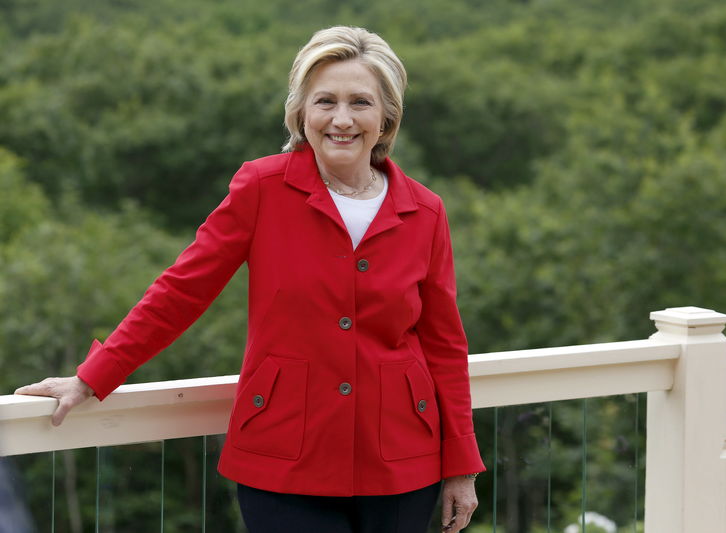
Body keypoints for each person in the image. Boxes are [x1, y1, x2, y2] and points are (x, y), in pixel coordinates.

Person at [16, 26, 485, 532]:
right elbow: (182, 289)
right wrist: (93, 376)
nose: (342, 119)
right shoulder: (261, 187)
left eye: (361, 103)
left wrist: (461, 465)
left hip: (402, 461)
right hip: (282, 455)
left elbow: (443, 345)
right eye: (325, 101)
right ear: (301, 113)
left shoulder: (426, 211)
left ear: (386, 116)